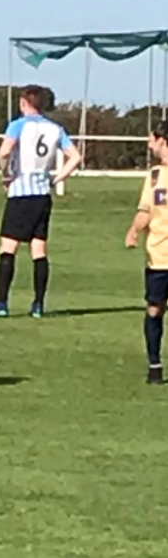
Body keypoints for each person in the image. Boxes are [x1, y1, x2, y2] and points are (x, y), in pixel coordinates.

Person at [0, 85, 82, 319]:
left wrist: (6, 174)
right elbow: (75, 157)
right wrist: (57, 178)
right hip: (43, 194)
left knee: (8, 247)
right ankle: (38, 305)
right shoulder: (55, 129)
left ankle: (1, 303)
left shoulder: (18, 125)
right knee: (39, 249)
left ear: (25, 103)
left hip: (21, 193)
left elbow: (4, 152)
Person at [125, 121, 168, 385]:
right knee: (154, 309)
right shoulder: (154, 176)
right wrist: (134, 230)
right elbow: (145, 211)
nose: (148, 144)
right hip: (159, 257)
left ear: (162, 140)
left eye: (151, 139)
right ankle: (155, 365)